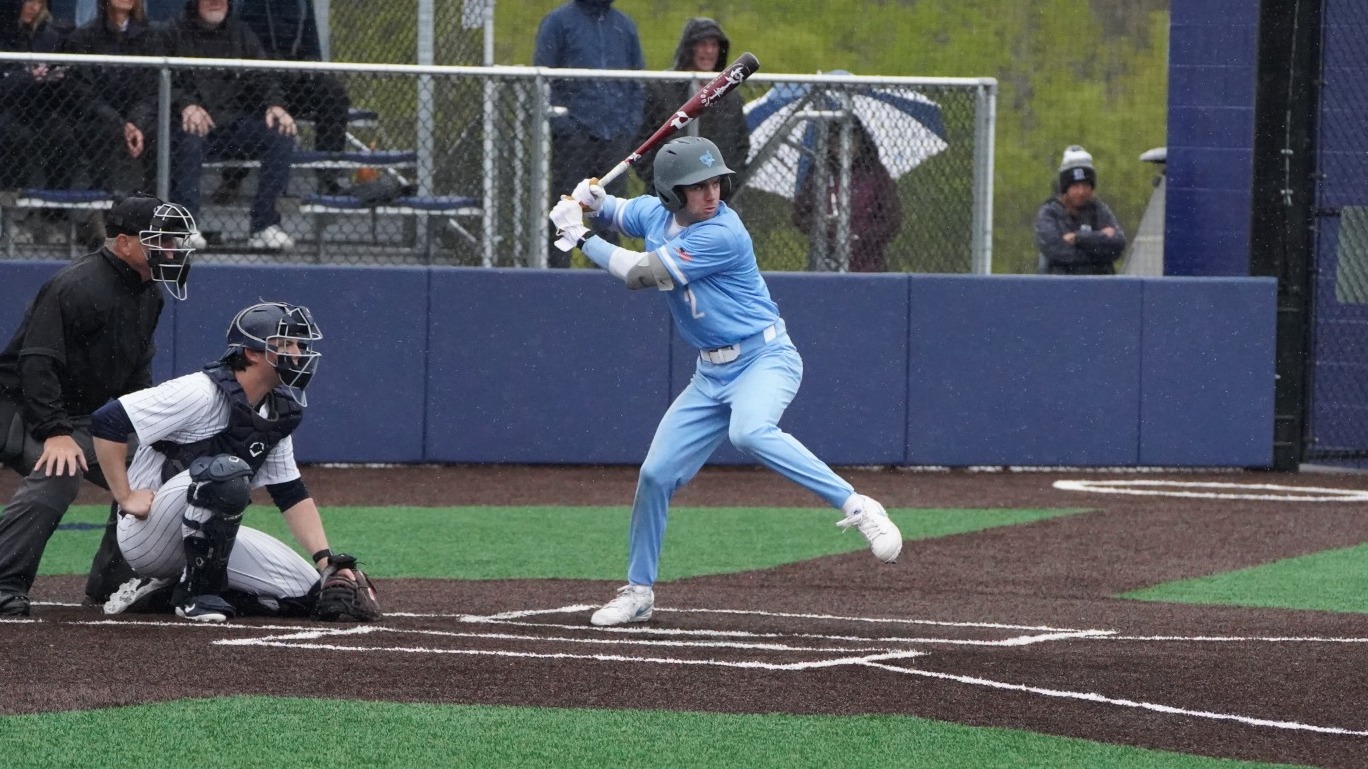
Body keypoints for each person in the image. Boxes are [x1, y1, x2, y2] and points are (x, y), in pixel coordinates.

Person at [547, 136, 903, 627]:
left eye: (715, 182)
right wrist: (593, 200)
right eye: (698, 186)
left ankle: (860, 506)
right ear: (672, 193)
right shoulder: (655, 213)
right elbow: (620, 210)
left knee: (749, 432)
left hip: (764, 358)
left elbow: (639, 273)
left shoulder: (723, 233)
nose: (711, 193)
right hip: (710, 374)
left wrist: (579, 235)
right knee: (655, 476)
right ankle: (639, 592)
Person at [91, 301, 380, 623]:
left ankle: (162, 594)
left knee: (309, 594)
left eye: (299, 345)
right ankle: (194, 595)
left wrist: (326, 562)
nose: (298, 354)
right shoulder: (199, 391)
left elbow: (290, 492)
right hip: (149, 534)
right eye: (285, 344)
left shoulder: (275, 411)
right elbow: (108, 420)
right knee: (225, 472)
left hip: (201, 537)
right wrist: (125, 495)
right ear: (252, 352)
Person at [0, 193, 197, 617]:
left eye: (174, 241)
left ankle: (114, 578)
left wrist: (154, 430)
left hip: (72, 415)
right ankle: (4, 581)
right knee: (60, 470)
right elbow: (36, 363)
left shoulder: (149, 293)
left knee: (156, 463)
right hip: (17, 406)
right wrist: (55, 432)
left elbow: (136, 374)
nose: (172, 250)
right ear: (124, 243)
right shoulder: (76, 285)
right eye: (161, 241)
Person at [164, 0, 298, 251]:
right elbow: (160, 80)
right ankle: (183, 225)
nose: (216, 2)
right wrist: (187, 105)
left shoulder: (241, 33)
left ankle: (265, 225)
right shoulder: (172, 32)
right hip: (190, 126)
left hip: (232, 124)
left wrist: (275, 104)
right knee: (189, 137)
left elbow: (263, 75)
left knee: (281, 134)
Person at [533, 0, 644, 268]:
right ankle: (556, 275)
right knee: (565, 209)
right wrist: (566, 126)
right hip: (574, 137)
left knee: (608, 212)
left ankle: (605, 276)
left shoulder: (624, 26)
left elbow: (638, 82)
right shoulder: (558, 22)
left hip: (614, 135)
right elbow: (542, 78)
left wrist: (627, 126)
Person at [221, 0, 351, 199]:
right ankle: (232, 177)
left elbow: (312, 49)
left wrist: (304, 68)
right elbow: (232, 41)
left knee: (333, 92)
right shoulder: (242, 4)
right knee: (246, 99)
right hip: (253, 79)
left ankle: (329, 178)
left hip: (292, 80)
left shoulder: (302, 3)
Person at [62, 0, 168, 198]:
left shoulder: (151, 37)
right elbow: (83, 93)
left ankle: (151, 206)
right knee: (106, 133)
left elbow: (151, 91)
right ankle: (107, 205)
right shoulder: (83, 37)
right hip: (99, 119)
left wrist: (135, 123)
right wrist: (121, 124)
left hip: (140, 119)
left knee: (160, 134)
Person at [634, 18, 748, 193]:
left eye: (714, 45)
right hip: (667, 194)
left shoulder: (730, 97)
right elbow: (642, 142)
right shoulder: (661, 88)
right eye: (702, 44)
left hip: (716, 194)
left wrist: (725, 185)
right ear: (689, 48)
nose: (709, 51)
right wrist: (664, 182)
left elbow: (740, 146)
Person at [791, 119, 903, 272]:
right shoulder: (820, 171)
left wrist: (862, 236)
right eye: (836, 143)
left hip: (868, 264)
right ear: (829, 144)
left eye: (850, 142)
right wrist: (823, 226)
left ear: (860, 141)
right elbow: (800, 214)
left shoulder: (875, 172)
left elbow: (891, 220)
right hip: (826, 259)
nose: (844, 149)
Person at [1035, 145, 1126, 275]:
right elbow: (1056, 250)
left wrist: (1079, 238)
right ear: (1065, 189)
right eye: (1075, 186)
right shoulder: (1050, 213)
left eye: (1085, 185)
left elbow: (1117, 244)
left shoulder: (1099, 210)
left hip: (1099, 285)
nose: (1081, 192)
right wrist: (1098, 251)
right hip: (1061, 284)